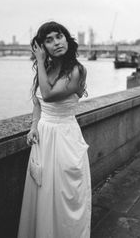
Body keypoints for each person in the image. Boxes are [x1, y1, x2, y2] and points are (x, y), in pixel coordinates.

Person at [17, 21, 91, 238]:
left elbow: (48, 94)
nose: (56, 43)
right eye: (49, 40)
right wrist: (33, 127)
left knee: (63, 194)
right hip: (43, 138)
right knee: (42, 190)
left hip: (64, 138)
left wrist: (39, 61)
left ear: (67, 38)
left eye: (59, 36)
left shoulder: (77, 70)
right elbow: (38, 103)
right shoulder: (47, 69)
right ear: (43, 46)